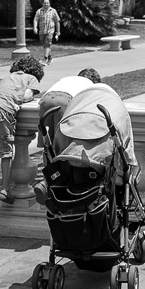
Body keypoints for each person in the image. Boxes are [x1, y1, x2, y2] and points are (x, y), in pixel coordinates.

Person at [0, 55, 43, 208]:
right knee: (6, 152)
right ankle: (5, 189)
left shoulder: (8, 78)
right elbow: (26, 96)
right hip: (2, 112)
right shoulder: (31, 78)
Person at [33, 67, 102, 206]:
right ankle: (60, 185)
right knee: (64, 150)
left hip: (46, 100)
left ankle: (46, 181)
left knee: (48, 146)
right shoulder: (90, 87)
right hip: (65, 101)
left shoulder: (69, 79)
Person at [33, 0, 61, 65]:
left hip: (50, 31)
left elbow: (57, 21)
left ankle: (45, 59)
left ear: (49, 4)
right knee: (45, 46)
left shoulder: (53, 11)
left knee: (48, 44)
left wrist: (58, 31)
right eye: (45, 3)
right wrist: (35, 27)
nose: (46, 4)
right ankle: (50, 58)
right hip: (42, 31)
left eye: (47, 3)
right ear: (43, 4)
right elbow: (36, 20)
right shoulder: (39, 11)